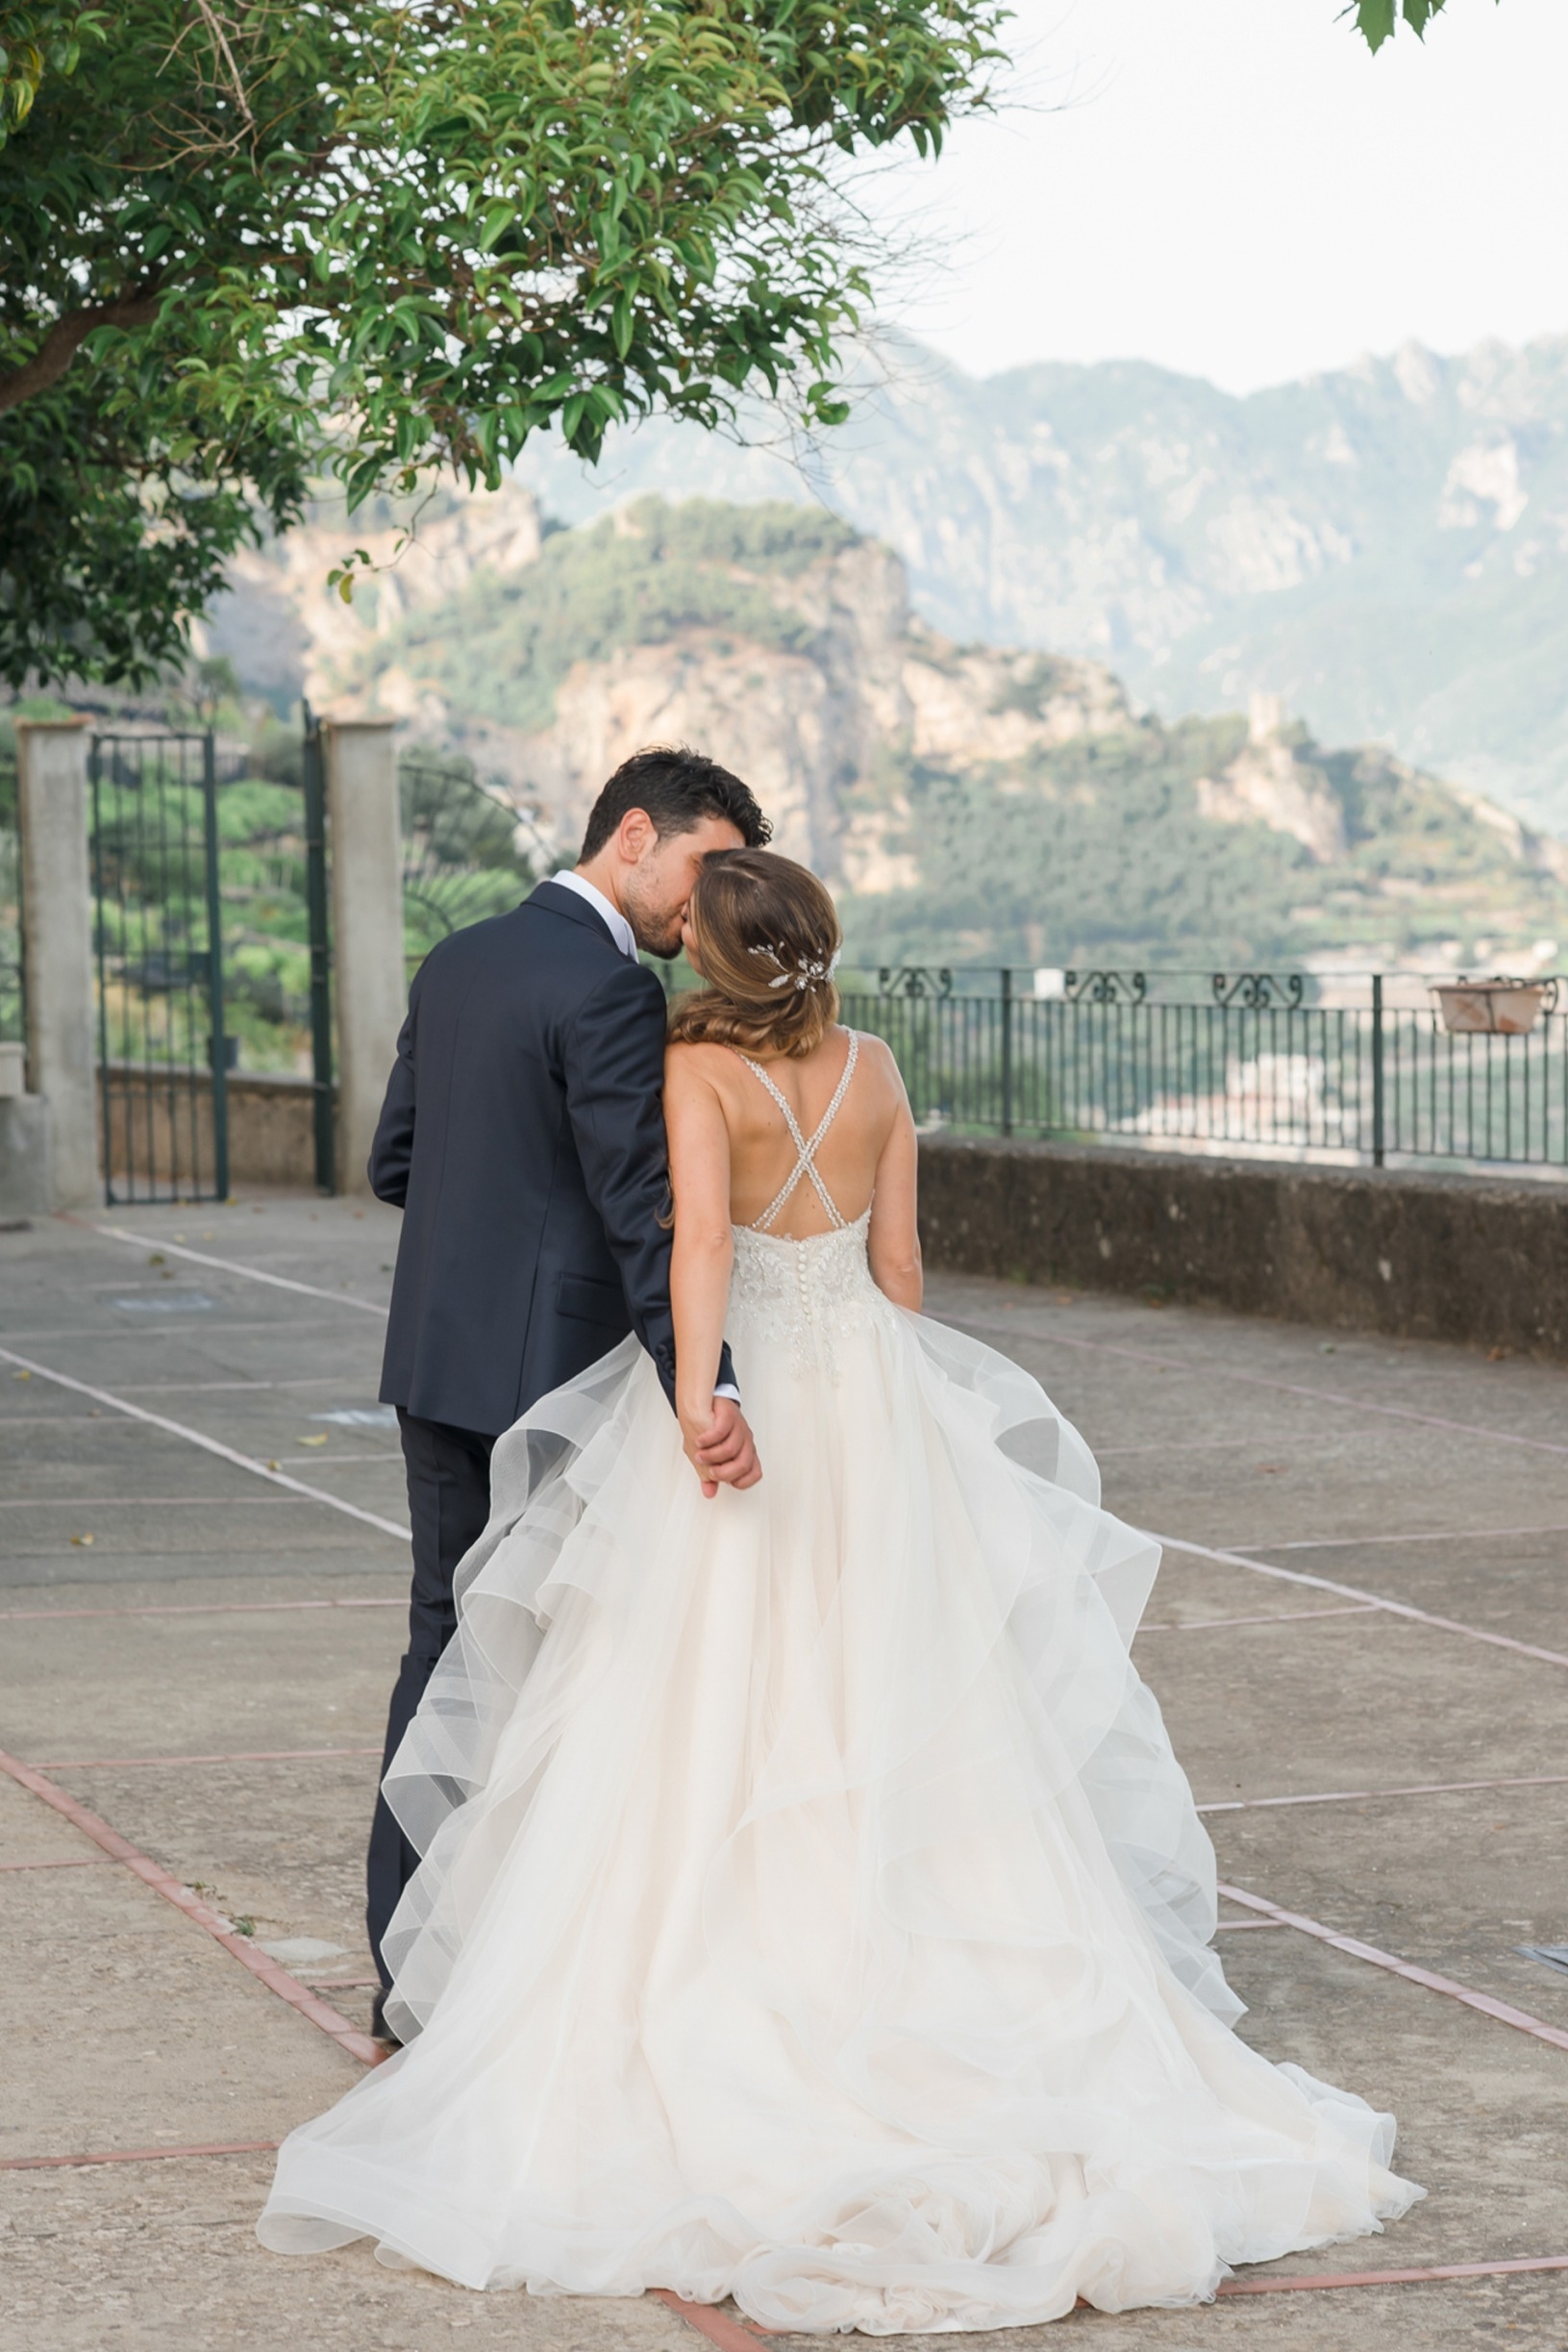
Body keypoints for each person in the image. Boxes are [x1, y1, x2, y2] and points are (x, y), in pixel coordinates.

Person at [261, 848, 1421, 2326]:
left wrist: (698, 1398)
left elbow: (692, 1244)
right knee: (908, 1685)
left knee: (709, 1699)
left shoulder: (694, 1074)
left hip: (747, 1408)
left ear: (713, 964)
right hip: (874, 1403)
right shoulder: (875, 1070)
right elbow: (903, 1267)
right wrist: (883, 1392)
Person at [361, 750, 769, 2038]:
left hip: (435, 1362)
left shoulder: (461, 955)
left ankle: (406, 1971)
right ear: (633, 834)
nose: (702, 907)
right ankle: (523, 1982)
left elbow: (395, 1162)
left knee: (444, 1641)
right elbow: (643, 1215)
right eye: (703, 869)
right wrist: (707, 1381)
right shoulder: (607, 987)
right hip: (551, 1379)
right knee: (562, 1660)